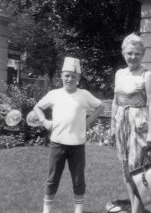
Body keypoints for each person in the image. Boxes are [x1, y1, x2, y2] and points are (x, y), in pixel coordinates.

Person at [33, 57, 104, 213]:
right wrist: (44, 121)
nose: (70, 79)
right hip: (57, 143)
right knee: (52, 179)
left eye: (73, 76)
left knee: (78, 180)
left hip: (77, 145)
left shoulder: (84, 94)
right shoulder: (54, 94)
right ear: (61, 76)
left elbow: (100, 106)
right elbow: (37, 107)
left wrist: (89, 120)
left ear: (78, 78)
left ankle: (78, 210)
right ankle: (47, 211)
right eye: (67, 75)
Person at [110, 33, 151, 213]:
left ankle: (136, 211)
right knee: (125, 168)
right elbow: (115, 101)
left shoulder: (147, 75)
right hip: (121, 123)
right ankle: (137, 209)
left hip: (139, 124)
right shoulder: (119, 74)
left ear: (142, 54)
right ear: (123, 53)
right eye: (129, 53)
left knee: (138, 169)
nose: (133, 57)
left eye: (137, 53)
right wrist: (112, 125)